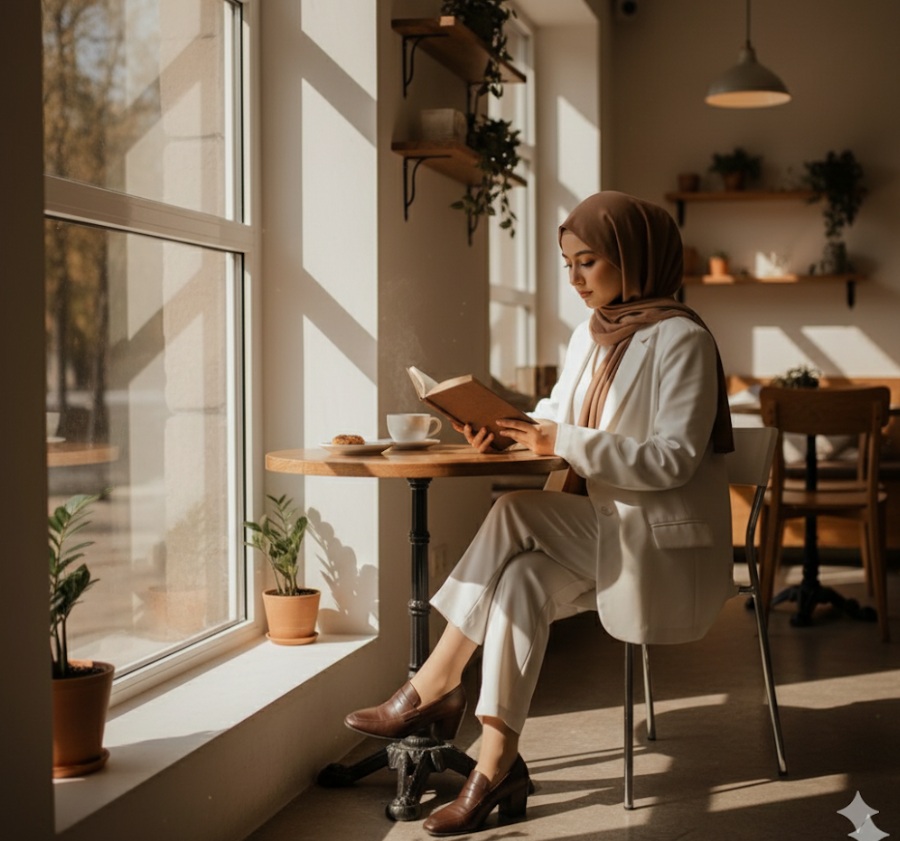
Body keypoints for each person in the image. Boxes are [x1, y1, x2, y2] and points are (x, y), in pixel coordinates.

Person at [344, 191, 735, 836]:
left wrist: (562, 445)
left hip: (655, 542)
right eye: (567, 264)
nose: (576, 279)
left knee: (514, 512)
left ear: (634, 259)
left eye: (589, 262)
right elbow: (556, 411)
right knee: (521, 579)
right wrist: (504, 428)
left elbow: (673, 460)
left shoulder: (683, 338)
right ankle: (497, 766)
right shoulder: (592, 332)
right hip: (603, 532)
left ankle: (435, 682)